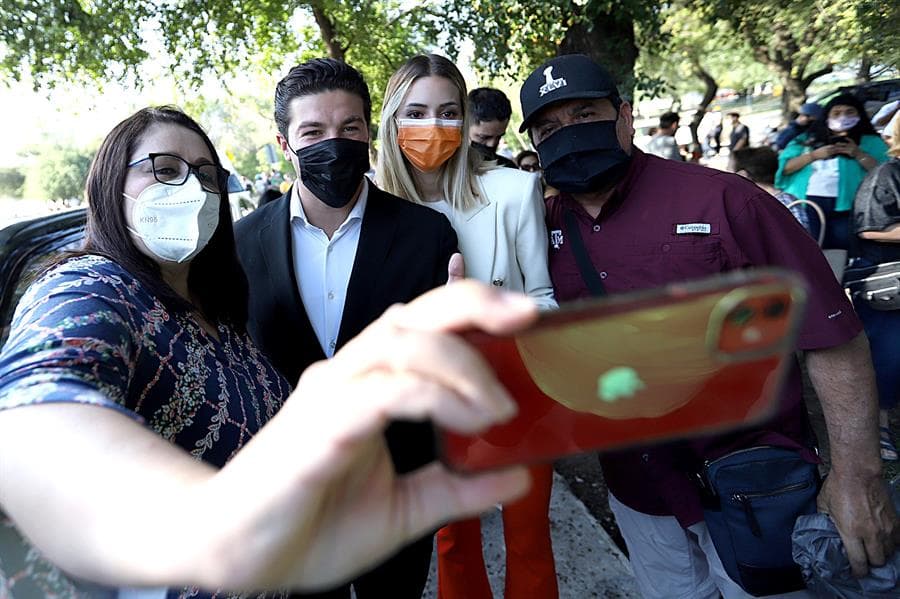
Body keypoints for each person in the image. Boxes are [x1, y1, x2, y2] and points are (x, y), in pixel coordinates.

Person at [0, 106, 538, 598]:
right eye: (163, 169)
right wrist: (210, 525)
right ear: (109, 184)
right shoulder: (91, 288)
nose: (189, 188)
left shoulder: (220, 310)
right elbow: (34, 412)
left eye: (206, 175)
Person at [518, 53, 900, 599]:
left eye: (584, 115)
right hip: (639, 489)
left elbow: (832, 337)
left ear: (624, 116)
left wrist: (857, 478)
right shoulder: (538, 230)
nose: (569, 135)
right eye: (549, 128)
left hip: (755, 486)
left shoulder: (726, 201)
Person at [234, 58, 460, 599]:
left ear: (368, 133)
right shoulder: (238, 246)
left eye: (349, 127)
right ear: (285, 144)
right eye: (313, 131)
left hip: (399, 481)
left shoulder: (427, 234)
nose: (333, 144)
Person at [377, 53, 558, 599]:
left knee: (528, 536)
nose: (432, 126)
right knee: (453, 541)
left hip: (515, 394)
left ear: (464, 117)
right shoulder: (371, 206)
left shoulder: (513, 191)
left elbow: (542, 297)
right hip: (428, 408)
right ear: (391, 120)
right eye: (415, 113)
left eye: (448, 111)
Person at [776, 94, 890, 251]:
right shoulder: (805, 140)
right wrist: (813, 156)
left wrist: (858, 154)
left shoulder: (872, 141)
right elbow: (785, 168)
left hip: (851, 206)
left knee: (845, 247)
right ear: (826, 116)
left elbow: (885, 173)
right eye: (836, 113)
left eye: (850, 112)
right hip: (808, 203)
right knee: (810, 248)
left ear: (859, 115)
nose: (843, 117)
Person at [849, 115, 900, 461]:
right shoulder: (887, 174)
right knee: (888, 358)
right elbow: (870, 227)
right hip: (888, 285)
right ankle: (878, 428)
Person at [730, 146, 812, 233]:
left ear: (742, 175)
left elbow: (800, 237)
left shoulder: (784, 202)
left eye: (729, 171)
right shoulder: (749, 202)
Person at [467, 87, 518, 167]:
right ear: (464, 127)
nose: (492, 144)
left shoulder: (508, 167)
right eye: (483, 137)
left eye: (499, 137)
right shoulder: (449, 167)